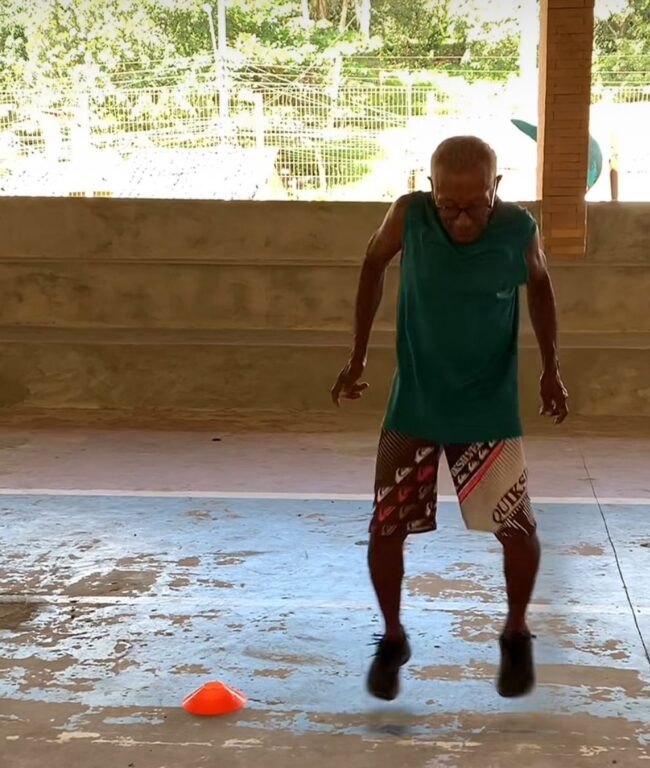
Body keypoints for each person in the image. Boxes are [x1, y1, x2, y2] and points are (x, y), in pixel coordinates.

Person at [331, 136, 568, 702]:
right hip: (415, 404)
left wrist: (551, 369)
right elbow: (372, 263)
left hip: (486, 408)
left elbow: (541, 287)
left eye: (475, 206)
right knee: (386, 528)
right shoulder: (408, 216)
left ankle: (516, 632)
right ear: (431, 190)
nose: (462, 219)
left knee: (517, 529)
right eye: (449, 206)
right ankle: (392, 638)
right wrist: (357, 355)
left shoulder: (518, 229)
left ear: (496, 189)